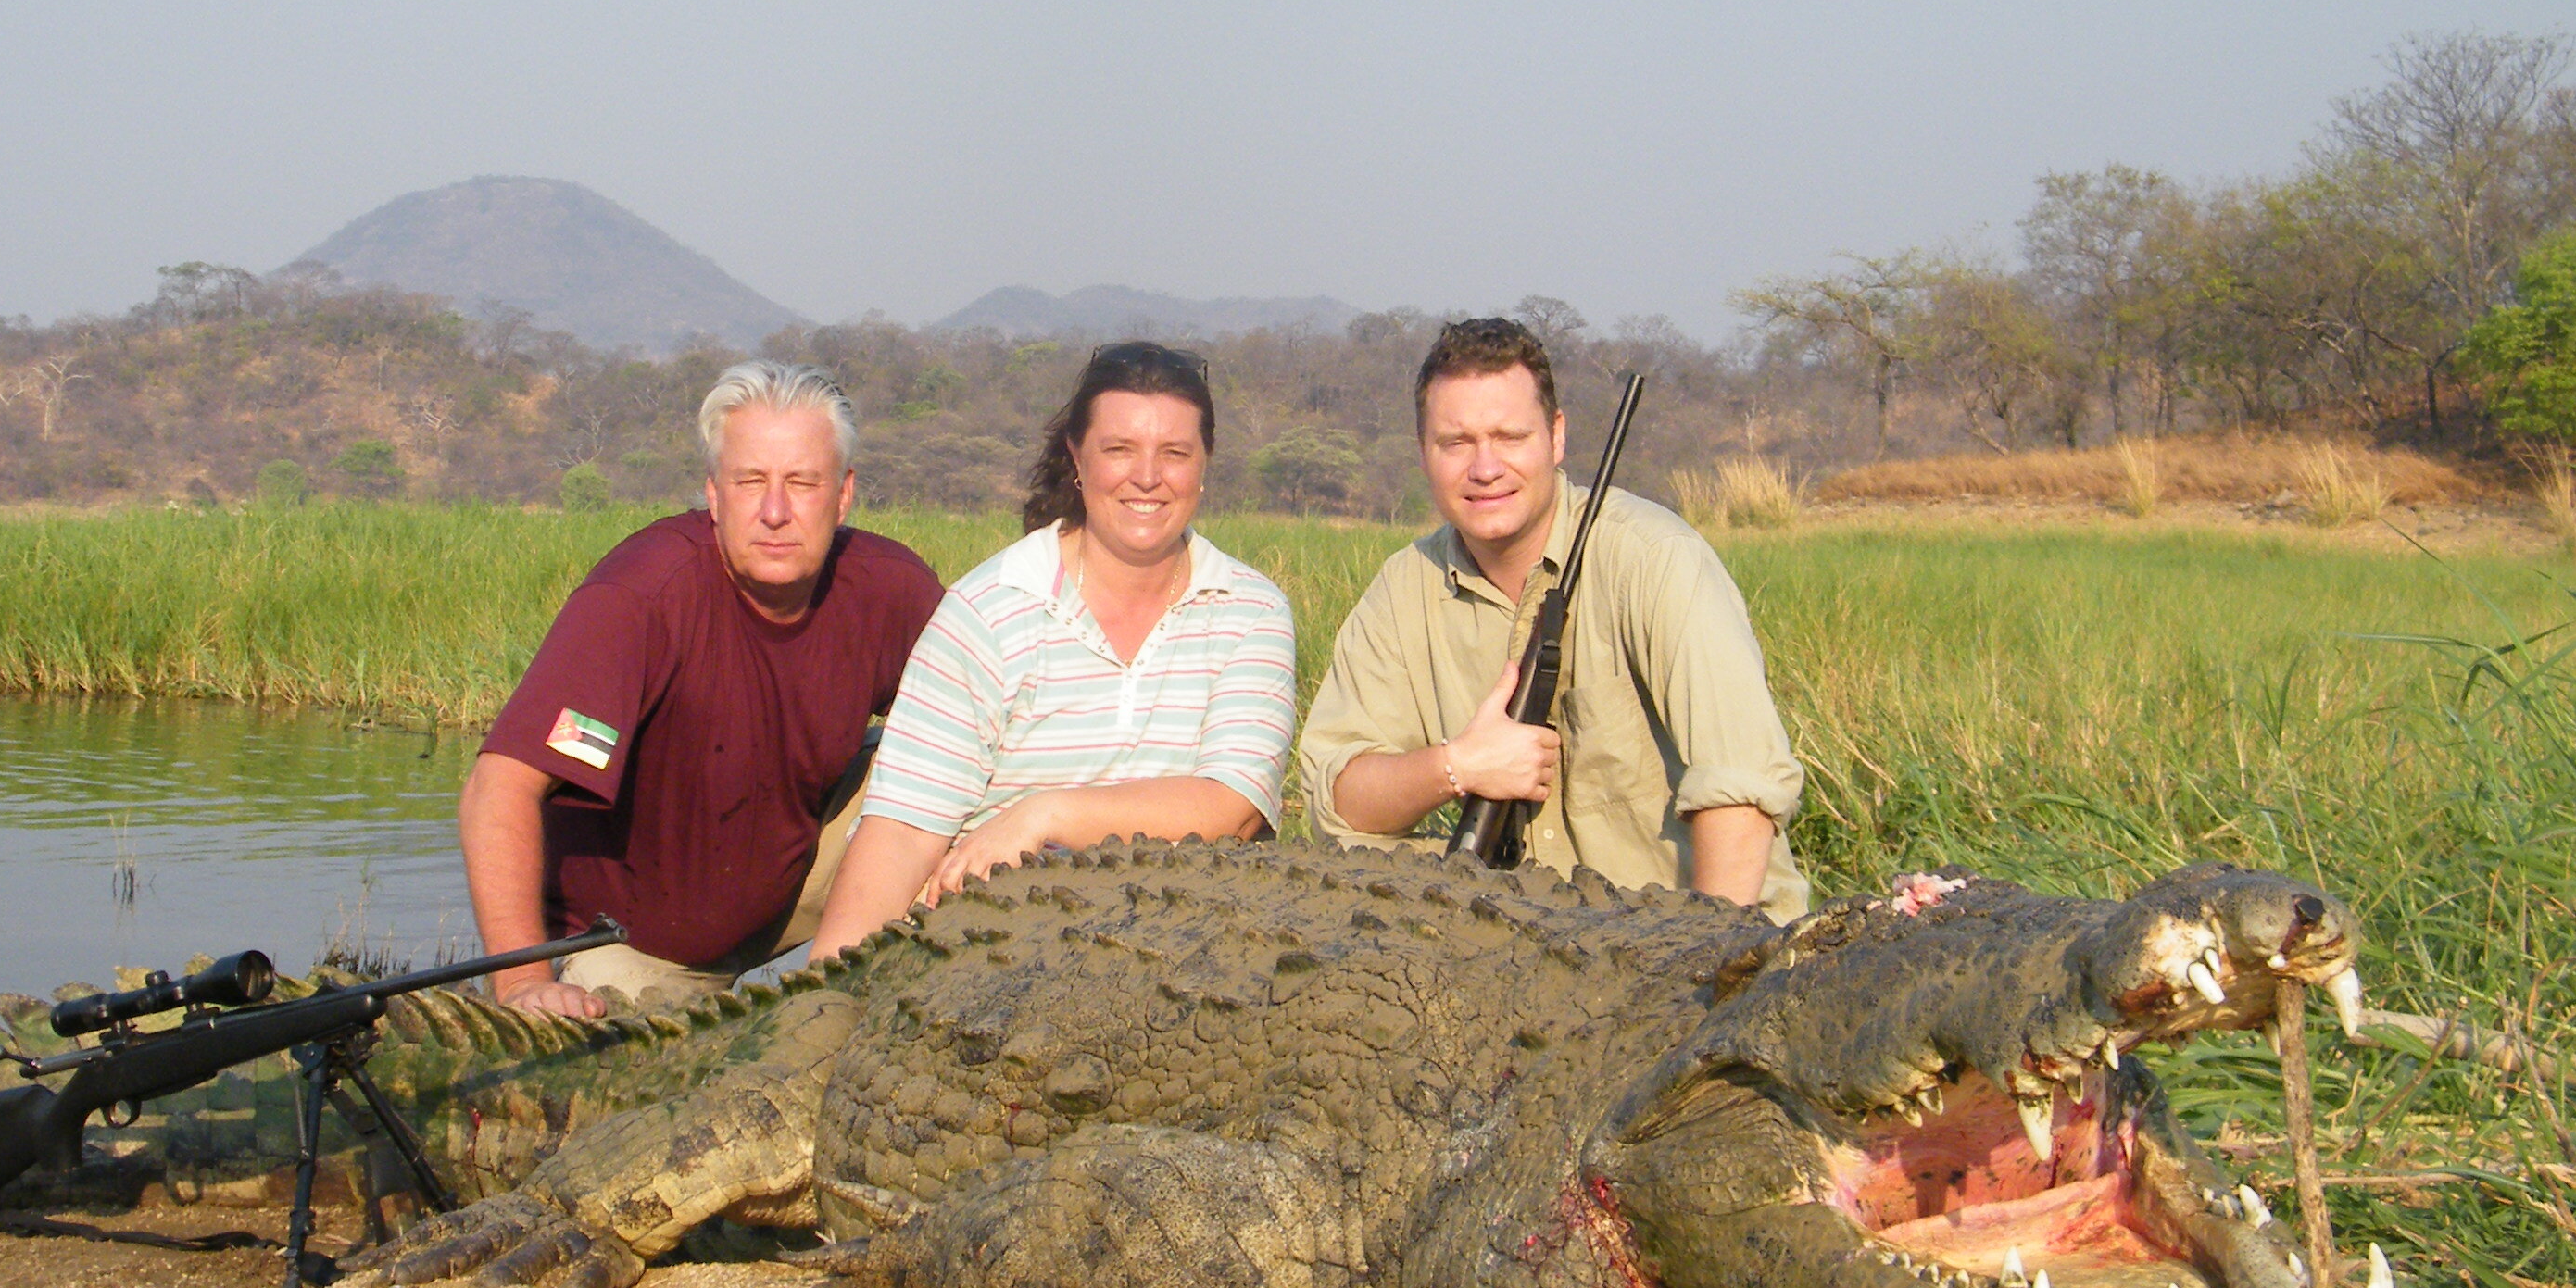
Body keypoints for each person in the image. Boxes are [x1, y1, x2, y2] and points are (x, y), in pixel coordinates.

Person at [461, 360, 944, 1018]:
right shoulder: (641, 598)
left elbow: (998, 719)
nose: (776, 512)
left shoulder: (890, 587)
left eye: (802, 483)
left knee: (959, 764)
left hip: (795, 884)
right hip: (635, 939)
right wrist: (522, 982)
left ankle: (872, 1007)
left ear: (843, 494)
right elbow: (501, 785)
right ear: (714, 494)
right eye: (752, 482)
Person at [1295, 316, 1810, 918]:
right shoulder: (1402, 588)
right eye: (1456, 443)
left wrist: (1705, 971)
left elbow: (1739, 797)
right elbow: (1338, 800)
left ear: (1556, 437)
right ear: (1423, 453)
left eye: (1510, 437)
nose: (1484, 468)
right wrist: (1457, 767)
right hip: (1525, 954)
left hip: (1695, 943)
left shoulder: (1656, 560)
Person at [808, 341, 1298, 959]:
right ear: (1077, 457)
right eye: (1119, 450)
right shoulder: (988, 609)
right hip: (994, 942)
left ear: (1204, 464)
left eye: (1174, 453)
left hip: (1185, 945)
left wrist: (1042, 816)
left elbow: (1233, 807)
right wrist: (828, 994)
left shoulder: (1250, 610)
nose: (1147, 477)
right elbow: (904, 830)